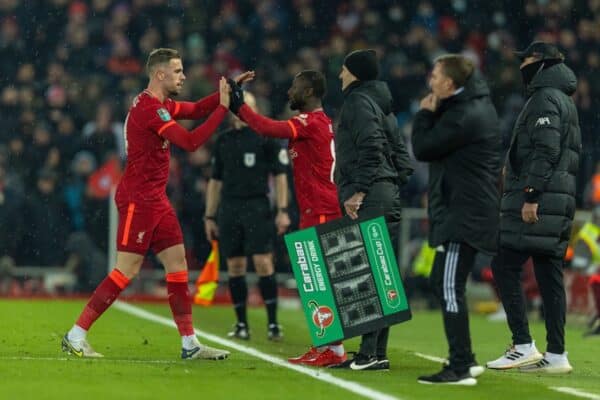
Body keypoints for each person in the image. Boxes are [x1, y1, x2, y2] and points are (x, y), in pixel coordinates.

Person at [62, 48, 251, 360]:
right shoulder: (150, 109)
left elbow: (194, 109)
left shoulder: (160, 104)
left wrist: (226, 90)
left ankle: (189, 344)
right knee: (126, 270)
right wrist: (224, 108)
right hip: (139, 198)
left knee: (177, 265)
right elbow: (190, 143)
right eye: (178, 71)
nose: (184, 76)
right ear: (160, 74)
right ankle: (76, 334)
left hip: (155, 198)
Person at [228, 70, 346, 367]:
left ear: (308, 93)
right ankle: (326, 344)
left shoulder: (311, 123)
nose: (290, 91)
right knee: (315, 281)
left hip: (321, 209)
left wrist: (238, 105)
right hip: (314, 208)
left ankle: (334, 349)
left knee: (319, 280)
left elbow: (266, 127)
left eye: (295, 87)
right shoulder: (318, 123)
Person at [486, 42, 581, 373]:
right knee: (549, 274)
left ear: (541, 63)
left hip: (540, 203)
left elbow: (547, 149)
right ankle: (556, 354)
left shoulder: (544, 97)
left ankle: (523, 344)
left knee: (504, 265)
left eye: (525, 59)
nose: (521, 64)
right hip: (559, 200)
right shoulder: (564, 99)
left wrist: (531, 193)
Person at [411, 54, 502, 385]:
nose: (430, 80)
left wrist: (424, 113)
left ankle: (460, 366)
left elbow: (422, 148)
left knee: (449, 286)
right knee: (441, 280)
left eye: (435, 75)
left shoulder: (463, 114)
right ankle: (466, 358)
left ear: (449, 83)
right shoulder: (471, 107)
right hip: (464, 208)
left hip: (463, 213)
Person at [333, 49, 413, 371]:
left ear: (354, 73)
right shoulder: (383, 106)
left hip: (369, 196)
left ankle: (368, 354)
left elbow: (371, 146)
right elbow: (402, 160)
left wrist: (362, 190)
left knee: (368, 274)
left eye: (343, 70)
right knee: (383, 274)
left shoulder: (357, 103)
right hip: (385, 194)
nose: (339, 75)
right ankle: (377, 352)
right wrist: (389, 184)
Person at [203, 91, 291, 342]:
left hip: (257, 206)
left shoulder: (266, 137)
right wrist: (209, 215)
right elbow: (215, 181)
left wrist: (282, 211)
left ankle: (273, 323)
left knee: (264, 263)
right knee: (235, 266)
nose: (240, 111)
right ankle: (241, 323)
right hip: (230, 208)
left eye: (246, 106)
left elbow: (281, 175)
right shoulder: (223, 141)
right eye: (238, 107)